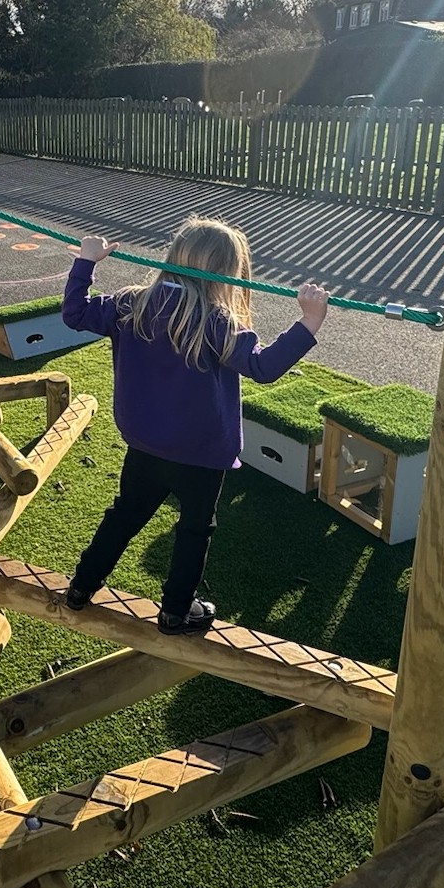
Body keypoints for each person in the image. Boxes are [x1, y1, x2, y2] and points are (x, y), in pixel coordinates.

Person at [60, 215, 328, 635]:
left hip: (146, 443)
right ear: (225, 273)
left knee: (125, 514)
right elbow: (263, 367)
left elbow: (74, 313)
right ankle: (175, 612)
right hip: (202, 453)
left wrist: (86, 262)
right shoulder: (216, 321)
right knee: (194, 528)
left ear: (175, 256)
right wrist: (309, 321)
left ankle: (80, 587)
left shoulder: (132, 304)